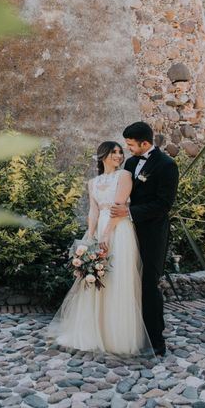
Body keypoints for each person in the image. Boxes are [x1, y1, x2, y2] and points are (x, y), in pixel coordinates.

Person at [48, 141, 152, 355]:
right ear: (103, 155)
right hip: (100, 231)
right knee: (95, 280)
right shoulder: (93, 182)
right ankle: (93, 332)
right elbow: (93, 211)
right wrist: (91, 235)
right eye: (113, 152)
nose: (118, 155)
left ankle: (116, 336)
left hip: (119, 230)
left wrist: (107, 235)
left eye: (119, 152)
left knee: (116, 278)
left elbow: (118, 207)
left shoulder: (123, 176)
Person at [110, 122, 179, 356]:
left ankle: (156, 341)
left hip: (152, 233)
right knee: (127, 281)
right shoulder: (130, 163)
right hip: (127, 233)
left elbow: (164, 204)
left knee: (149, 284)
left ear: (145, 143)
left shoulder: (167, 165)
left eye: (131, 145)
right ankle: (131, 333)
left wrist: (129, 213)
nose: (128, 149)